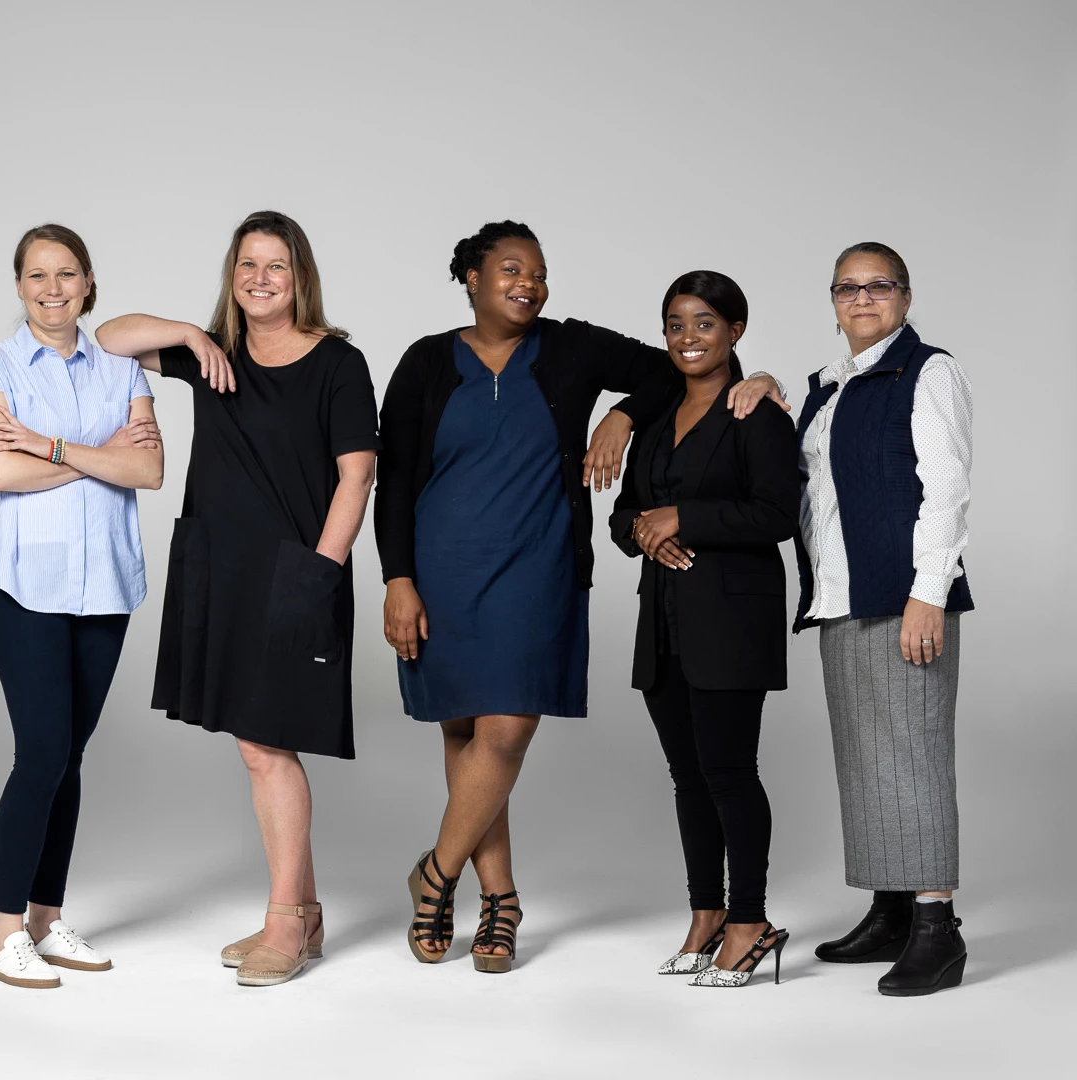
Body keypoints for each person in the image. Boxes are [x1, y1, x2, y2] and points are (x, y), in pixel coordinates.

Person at [375, 221, 784, 973]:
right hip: (441, 572)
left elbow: (675, 368)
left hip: (539, 567)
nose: (528, 283)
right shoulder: (426, 361)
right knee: (465, 731)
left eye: (537, 272)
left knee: (506, 728)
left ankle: (436, 872)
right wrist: (397, 578)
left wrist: (623, 413)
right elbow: (395, 479)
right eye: (511, 269)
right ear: (471, 277)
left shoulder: (570, 347)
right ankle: (499, 901)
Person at [95, 210, 377, 988]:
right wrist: (192, 333)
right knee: (259, 739)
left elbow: (357, 475)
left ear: (300, 277)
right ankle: (303, 912)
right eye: (247, 265)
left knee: (265, 744)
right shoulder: (211, 355)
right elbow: (108, 337)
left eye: (275, 265)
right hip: (221, 567)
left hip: (297, 571)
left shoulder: (338, 363)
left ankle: (285, 921)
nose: (260, 279)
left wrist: (319, 574)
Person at [0, 224, 163, 989]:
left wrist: (46, 445)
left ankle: (47, 917)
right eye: (38, 275)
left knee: (69, 754)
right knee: (42, 750)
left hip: (105, 581)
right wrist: (100, 456)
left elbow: (149, 468)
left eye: (67, 274)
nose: (53, 288)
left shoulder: (121, 367)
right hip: (25, 578)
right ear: (20, 286)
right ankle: (5, 930)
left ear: (88, 283)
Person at [606, 271, 800, 987]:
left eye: (705, 323)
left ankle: (751, 921)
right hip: (663, 622)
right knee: (687, 778)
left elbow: (777, 515)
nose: (688, 338)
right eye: (676, 325)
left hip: (732, 621)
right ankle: (707, 913)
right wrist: (643, 531)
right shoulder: (658, 418)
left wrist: (684, 518)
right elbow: (624, 514)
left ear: (735, 331)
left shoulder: (758, 413)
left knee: (729, 772)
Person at [797, 242, 975, 997]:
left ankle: (937, 928)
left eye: (880, 286)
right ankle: (892, 910)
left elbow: (947, 488)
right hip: (842, 595)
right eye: (849, 288)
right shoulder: (829, 386)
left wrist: (927, 593)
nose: (863, 299)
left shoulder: (928, 372)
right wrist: (768, 387)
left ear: (905, 296)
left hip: (906, 598)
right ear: (834, 302)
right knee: (866, 756)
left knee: (914, 753)